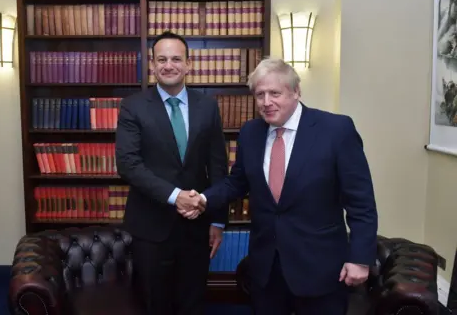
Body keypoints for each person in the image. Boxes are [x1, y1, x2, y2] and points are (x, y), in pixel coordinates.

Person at [183, 57, 378, 314]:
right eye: (260, 94)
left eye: (275, 93)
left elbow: (361, 201)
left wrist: (360, 259)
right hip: (266, 269)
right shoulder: (251, 132)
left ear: (296, 91)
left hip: (320, 268)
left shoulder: (336, 130)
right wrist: (204, 199)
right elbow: (237, 181)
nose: (266, 102)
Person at [115, 30, 228, 315]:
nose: (169, 65)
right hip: (150, 227)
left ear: (189, 65)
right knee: (154, 303)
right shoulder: (133, 107)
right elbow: (128, 164)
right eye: (161, 59)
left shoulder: (208, 106)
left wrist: (218, 221)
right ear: (152, 65)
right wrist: (175, 196)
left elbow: (217, 166)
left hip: (197, 226)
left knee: (193, 301)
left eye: (176, 59)